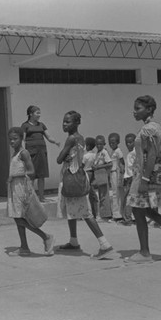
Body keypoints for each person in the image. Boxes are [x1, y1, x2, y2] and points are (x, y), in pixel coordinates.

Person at [56, 111, 115, 260]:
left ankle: (104, 244)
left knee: (85, 212)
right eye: (64, 121)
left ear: (76, 123)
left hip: (72, 177)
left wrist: (65, 156)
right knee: (71, 209)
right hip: (76, 175)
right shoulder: (81, 138)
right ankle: (73, 241)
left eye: (68, 122)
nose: (64, 124)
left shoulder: (71, 139)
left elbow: (59, 159)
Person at [126, 96, 161, 263]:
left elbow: (151, 155)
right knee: (145, 211)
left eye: (138, 108)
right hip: (147, 175)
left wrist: (144, 179)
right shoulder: (154, 127)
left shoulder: (149, 129)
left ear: (149, 110)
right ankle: (144, 251)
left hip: (146, 176)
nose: (134, 111)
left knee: (139, 211)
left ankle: (145, 252)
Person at [5, 127, 55, 256]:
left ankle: (46, 237)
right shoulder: (15, 153)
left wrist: (15, 176)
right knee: (18, 217)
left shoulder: (24, 153)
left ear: (21, 139)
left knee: (19, 218)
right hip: (14, 189)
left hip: (22, 189)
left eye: (15, 139)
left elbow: (32, 171)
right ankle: (24, 247)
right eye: (10, 139)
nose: (12, 142)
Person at [21, 105, 60, 202]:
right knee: (31, 175)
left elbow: (48, 136)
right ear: (30, 114)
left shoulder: (41, 125)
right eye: (37, 113)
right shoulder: (25, 125)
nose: (39, 115)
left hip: (42, 152)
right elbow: (23, 139)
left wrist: (55, 141)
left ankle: (41, 197)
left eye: (39, 113)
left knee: (41, 175)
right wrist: (22, 152)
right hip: (31, 153)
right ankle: (30, 198)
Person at [93, 135, 113, 222]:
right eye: (97, 144)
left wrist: (98, 166)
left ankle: (106, 215)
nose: (98, 146)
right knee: (101, 195)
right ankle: (103, 214)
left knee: (104, 195)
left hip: (103, 174)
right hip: (99, 175)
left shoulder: (104, 152)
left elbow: (110, 163)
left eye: (100, 144)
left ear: (104, 144)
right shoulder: (97, 153)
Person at [120, 133, 136, 226]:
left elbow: (132, 168)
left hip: (131, 179)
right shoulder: (134, 153)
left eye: (130, 142)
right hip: (132, 178)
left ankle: (127, 219)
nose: (128, 144)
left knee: (128, 199)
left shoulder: (132, 154)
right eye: (127, 142)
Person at [108, 133, 125, 221]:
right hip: (112, 173)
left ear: (118, 142)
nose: (111, 144)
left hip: (116, 173)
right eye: (110, 142)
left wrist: (121, 175)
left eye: (113, 142)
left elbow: (122, 162)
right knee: (116, 193)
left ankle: (117, 215)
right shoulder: (112, 151)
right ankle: (119, 213)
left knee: (116, 194)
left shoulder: (118, 151)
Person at [83, 137, 98, 218]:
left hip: (86, 173)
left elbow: (82, 165)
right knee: (91, 192)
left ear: (88, 146)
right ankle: (94, 212)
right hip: (92, 173)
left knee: (86, 192)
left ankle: (88, 213)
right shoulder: (94, 155)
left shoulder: (85, 156)